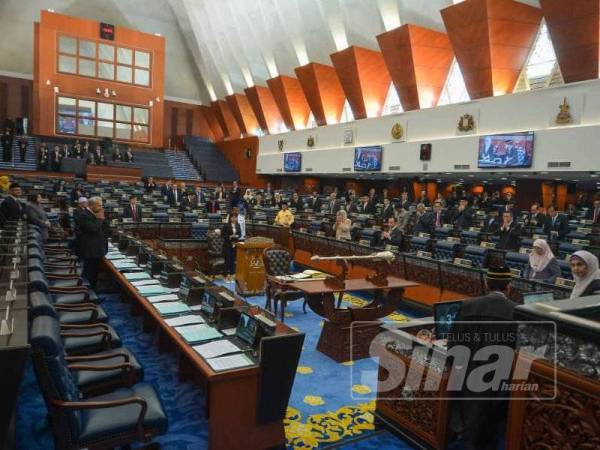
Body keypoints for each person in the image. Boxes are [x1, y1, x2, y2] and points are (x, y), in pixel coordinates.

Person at [448, 266, 517, 450]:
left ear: (486, 284)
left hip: (469, 376)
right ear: (509, 286)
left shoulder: (468, 306)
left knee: (471, 415)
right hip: (499, 380)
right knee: (493, 424)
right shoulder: (517, 312)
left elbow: (454, 346)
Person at [76, 196, 109, 289]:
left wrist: (103, 219)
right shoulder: (84, 215)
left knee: (94, 272)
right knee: (89, 273)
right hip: (90, 249)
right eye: (99, 205)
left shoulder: (96, 214)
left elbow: (104, 227)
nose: (101, 208)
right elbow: (93, 229)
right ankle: (86, 292)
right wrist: (100, 219)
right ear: (91, 205)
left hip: (97, 248)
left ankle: (93, 291)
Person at [222, 213, 241, 281]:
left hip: (234, 245)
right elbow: (222, 235)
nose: (234, 219)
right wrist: (230, 236)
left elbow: (240, 234)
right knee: (227, 260)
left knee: (233, 260)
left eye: (235, 217)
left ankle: (232, 275)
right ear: (230, 218)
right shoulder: (226, 225)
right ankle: (225, 276)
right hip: (227, 245)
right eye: (232, 217)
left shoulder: (238, 225)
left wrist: (237, 236)